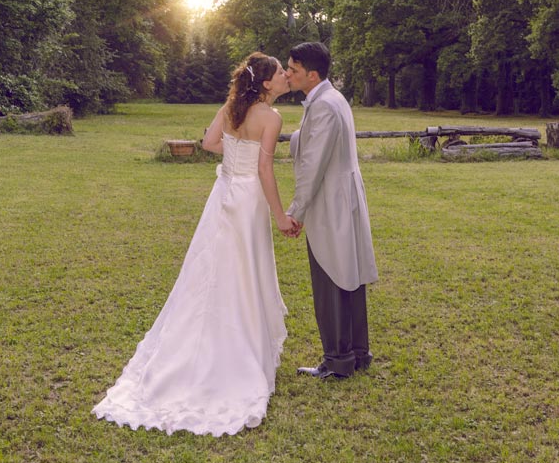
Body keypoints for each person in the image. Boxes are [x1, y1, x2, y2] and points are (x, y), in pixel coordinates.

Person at [93, 52, 298, 436]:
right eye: (280, 74)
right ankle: (240, 352)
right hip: (249, 199)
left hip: (223, 195)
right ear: (267, 83)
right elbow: (265, 169)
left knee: (213, 268)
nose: (286, 77)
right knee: (245, 269)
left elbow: (208, 143)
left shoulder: (231, 108)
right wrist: (279, 215)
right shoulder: (271, 118)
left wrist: (237, 153)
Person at [285, 42, 378, 380]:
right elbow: (313, 142)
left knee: (330, 278)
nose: (287, 74)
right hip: (344, 197)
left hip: (330, 202)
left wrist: (295, 211)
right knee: (348, 275)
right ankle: (356, 353)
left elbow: (313, 166)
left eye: (293, 70)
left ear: (312, 74)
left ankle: (337, 361)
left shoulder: (323, 106)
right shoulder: (332, 98)